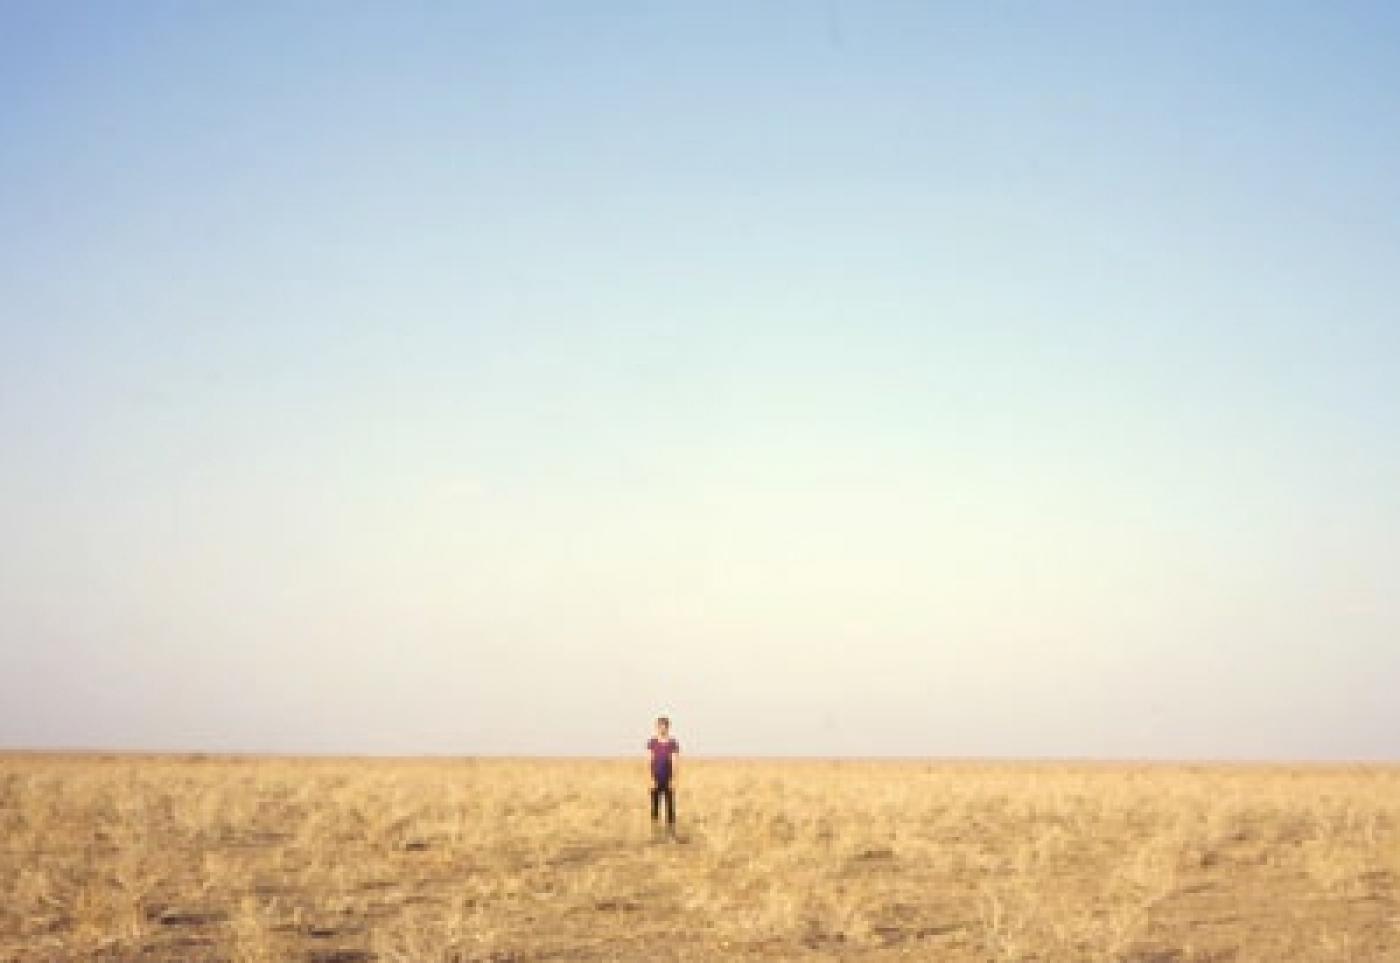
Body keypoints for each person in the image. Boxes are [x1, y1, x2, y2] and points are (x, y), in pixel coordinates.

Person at [646, 716, 679, 839]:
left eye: (664, 726)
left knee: (670, 806)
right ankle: (654, 834)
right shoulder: (652, 742)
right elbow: (649, 761)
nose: (662, 728)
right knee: (655, 806)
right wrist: (650, 779)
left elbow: (675, 761)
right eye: (660, 726)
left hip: (668, 779)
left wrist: (673, 779)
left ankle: (671, 834)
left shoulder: (672, 743)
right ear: (657, 727)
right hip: (655, 778)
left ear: (668, 727)